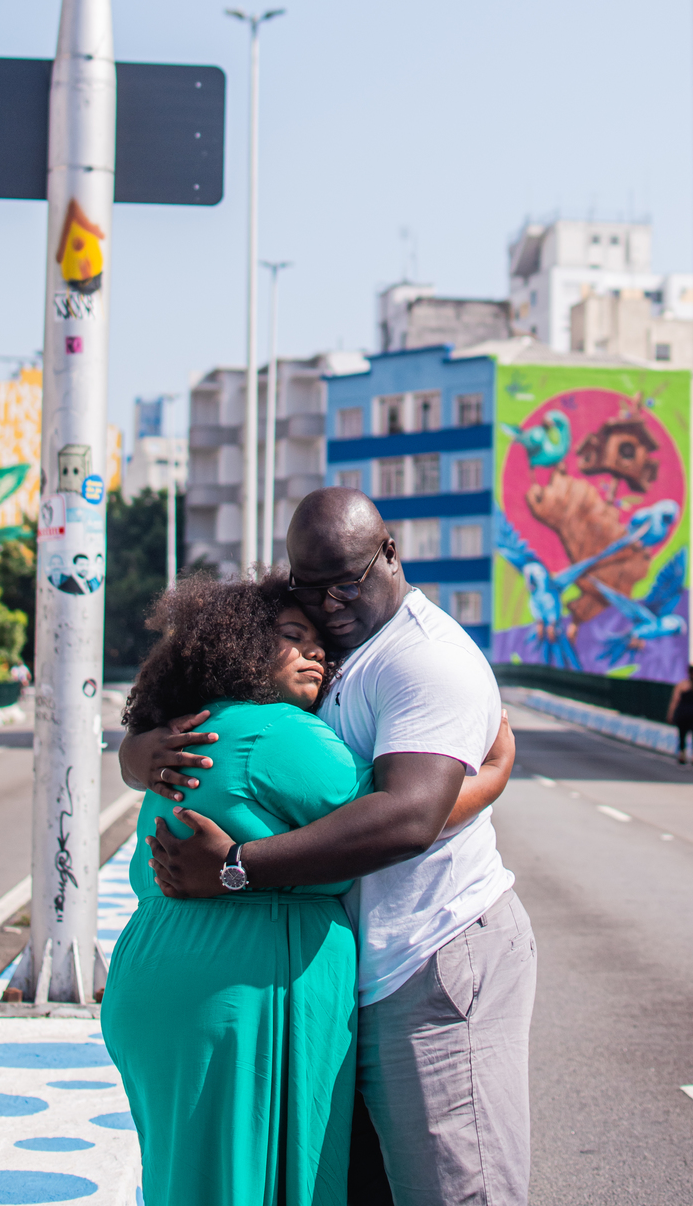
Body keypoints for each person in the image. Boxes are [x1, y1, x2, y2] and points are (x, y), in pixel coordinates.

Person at [121, 488, 536, 1206]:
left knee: (458, 1190)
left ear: (390, 553)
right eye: (309, 593)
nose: (329, 608)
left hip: (430, 957)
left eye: (346, 584)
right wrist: (135, 751)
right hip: (358, 973)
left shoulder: (423, 660)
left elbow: (405, 815)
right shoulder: (328, 667)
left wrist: (235, 868)